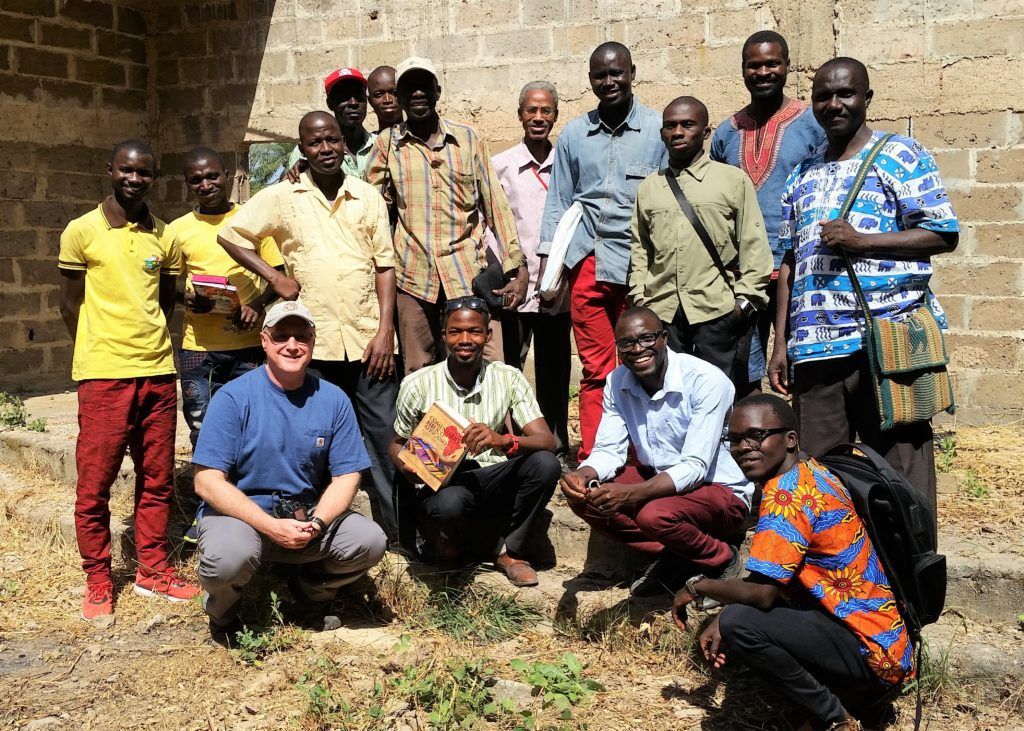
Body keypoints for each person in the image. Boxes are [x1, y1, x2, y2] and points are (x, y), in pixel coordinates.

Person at [768, 57, 959, 510]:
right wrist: (782, 341)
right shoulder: (802, 174)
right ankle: (840, 557)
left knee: (901, 472)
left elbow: (942, 233)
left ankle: (908, 557)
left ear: (866, 98)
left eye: (845, 94)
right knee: (820, 476)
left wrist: (863, 241)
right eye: (822, 96)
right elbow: (790, 262)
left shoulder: (901, 155)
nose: (833, 104)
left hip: (885, 342)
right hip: (815, 349)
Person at [218, 111, 405, 547]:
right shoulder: (283, 197)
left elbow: (385, 266)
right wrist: (274, 277)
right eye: (315, 142)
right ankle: (315, 534)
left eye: (332, 140)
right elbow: (231, 235)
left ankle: (396, 536)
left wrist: (385, 331)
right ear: (302, 149)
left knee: (383, 435)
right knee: (314, 441)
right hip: (312, 346)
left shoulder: (367, 196)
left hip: (366, 341)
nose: (325, 149)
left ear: (344, 143)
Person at [674, 394, 912, 731]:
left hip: (869, 653)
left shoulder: (786, 496)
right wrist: (724, 610)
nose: (743, 448)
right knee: (737, 615)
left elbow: (762, 595)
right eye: (735, 439)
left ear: (789, 439)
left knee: (740, 623)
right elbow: (774, 581)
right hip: (884, 640)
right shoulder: (812, 471)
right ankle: (848, 697)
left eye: (756, 436)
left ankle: (835, 718)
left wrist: (698, 587)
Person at [58, 139, 201, 621]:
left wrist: (144, 344)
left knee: (157, 479)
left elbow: (164, 300)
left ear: (154, 178)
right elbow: (68, 304)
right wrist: (99, 347)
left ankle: (152, 570)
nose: (134, 179)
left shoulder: (164, 235)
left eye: (144, 172)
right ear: (110, 170)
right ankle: (99, 578)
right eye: (126, 170)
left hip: (158, 373)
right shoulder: (82, 231)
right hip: (104, 377)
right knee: (94, 486)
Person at [193, 301, 387, 639]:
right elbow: (206, 481)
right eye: (281, 336)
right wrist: (270, 525)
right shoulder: (233, 397)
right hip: (242, 517)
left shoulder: (334, 399)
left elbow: (347, 475)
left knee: (369, 541)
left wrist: (318, 523)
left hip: (305, 516)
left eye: (302, 336)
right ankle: (224, 612)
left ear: (313, 342)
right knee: (228, 559)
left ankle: (311, 590)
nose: (292, 345)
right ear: (264, 341)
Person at [559, 307, 753, 596]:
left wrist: (633, 494)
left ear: (664, 338)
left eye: (647, 338)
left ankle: (722, 559)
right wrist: (584, 474)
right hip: (662, 484)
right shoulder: (617, 381)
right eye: (627, 343)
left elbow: (696, 466)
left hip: (719, 490)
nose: (638, 349)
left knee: (653, 515)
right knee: (586, 498)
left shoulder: (705, 379)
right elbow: (609, 449)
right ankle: (677, 554)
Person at [538, 42, 667, 461]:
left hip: (639, 267)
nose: (609, 81)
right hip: (588, 264)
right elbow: (558, 202)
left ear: (633, 73)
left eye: (617, 73)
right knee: (595, 368)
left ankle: (643, 454)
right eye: (600, 75)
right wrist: (549, 270)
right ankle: (597, 456)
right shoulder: (575, 134)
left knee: (642, 361)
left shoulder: (658, 129)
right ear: (590, 80)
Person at [366, 56, 529, 372]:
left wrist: (517, 266)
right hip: (413, 279)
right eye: (409, 88)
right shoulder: (388, 144)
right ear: (400, 97)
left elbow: (495, 205)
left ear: (437, 91)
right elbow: (369, 208)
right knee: (419, 371)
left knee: (487, 367)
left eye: (424, 86)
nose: (418, 94)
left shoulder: (468, 139)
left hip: (468, 275)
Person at [389, 298, 561, 587]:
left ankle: (511, 552)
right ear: (444, 336)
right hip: (448, 483)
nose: (465, 340)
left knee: (546, 464)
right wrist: (409, 467)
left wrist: (503, 440)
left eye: (475, 331)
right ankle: (455, 546)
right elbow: (396, 443)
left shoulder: (508, 377)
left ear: (488, 335)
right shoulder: (417, 384)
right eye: (455, 332)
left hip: (494, 476)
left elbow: (546, 440)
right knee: (450, 503)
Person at [710, 31, 827, 394]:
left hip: (799, 266)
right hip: (743, 273)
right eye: (754, 65)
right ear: (743, 69)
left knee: (802, 366)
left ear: (787, 66)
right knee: (743, 369)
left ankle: (799, 431)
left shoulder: (812, 123)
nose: (763, 72)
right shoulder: (726, 133)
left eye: (772, 64)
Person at [630, 96, 772, 389]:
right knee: (668, 396)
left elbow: (754, 246)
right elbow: (640, 249)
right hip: (663, 314)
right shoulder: (649, 188)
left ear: (706, 132)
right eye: (670, 126)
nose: (678, 132)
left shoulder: (732, 181)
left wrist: (742, 306)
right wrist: (640, 299)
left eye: (687, 124)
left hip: (717, 311)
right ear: (662, 133)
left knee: (718, 395)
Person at [488, 80, 572, 457]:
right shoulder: (502, 166)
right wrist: (509, 272)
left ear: (555, 116)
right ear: (520, 115)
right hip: (516, 288)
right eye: (531, 110)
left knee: (555, 371)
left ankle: (555, 444)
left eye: (546, 111)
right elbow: (490, 223)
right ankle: (510, 444)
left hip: (555, 291)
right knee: (509, 369)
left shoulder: (566, 166)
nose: (538, 117)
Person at [286, 68, 377, 180]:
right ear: (330, 103)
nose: (353, 103)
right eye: (344, 97)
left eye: (359, 95)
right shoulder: (306, 152)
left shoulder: (381, 145)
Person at [367, 65, 403, 131]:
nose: (387, 100)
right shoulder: (367, 138)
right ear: (370, 101)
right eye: (378, 94)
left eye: (394, 93)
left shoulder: (420, 136)